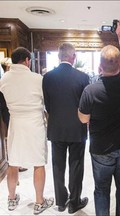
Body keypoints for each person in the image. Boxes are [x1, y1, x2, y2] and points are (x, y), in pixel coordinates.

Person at [78, 20, 120, 216]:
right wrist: (119, 33)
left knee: (102, 190)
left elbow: (83, 119)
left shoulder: (90, 90)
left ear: (99, 67)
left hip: (102, 149)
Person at [0, 47, 54, 214]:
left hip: (15, 123)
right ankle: (39, 202)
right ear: (27, 60)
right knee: (39, 163)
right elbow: (46, 102)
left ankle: (11, 198)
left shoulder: (4, 79)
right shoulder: (38, 79)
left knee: (13, 162)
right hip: (34, 123)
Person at [42, 42, 89, 214]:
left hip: (56, 128)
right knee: (76, 166)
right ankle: (74, 202)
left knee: (58, 166)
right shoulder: (83, 77)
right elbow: (86, 105)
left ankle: (61, 201)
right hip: (77, 128)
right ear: (73, 57)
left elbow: (47, 104)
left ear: (59, 56)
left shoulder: (47, 77)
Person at [0, 58, 28, 173]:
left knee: (13, 140)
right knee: (13, 141)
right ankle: (15, 164)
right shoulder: (6, 79)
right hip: (9, 113)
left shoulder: (6, 79)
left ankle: (16, 164)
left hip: (8, 112)